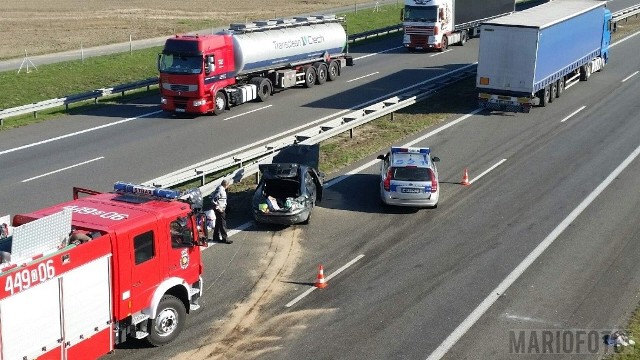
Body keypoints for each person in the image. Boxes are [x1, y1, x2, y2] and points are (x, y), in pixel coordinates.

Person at [212, 180, 232, 244]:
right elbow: (213, 200)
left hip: (221, 208)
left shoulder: (221, 189)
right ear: (226, 185)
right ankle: (225, 238)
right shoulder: (220, 190)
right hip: (220, 209)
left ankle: (215, 237)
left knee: (218, 223)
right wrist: (219, 208)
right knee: (223, 224)